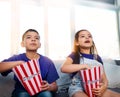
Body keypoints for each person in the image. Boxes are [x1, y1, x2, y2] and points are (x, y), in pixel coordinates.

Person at [0, 29, 59, 97]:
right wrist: (18, 63)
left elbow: (55, 86)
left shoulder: (47, 61)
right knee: (23, 95)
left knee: (46, 95)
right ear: (22, 44)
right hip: (21, 91)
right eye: (28, 37)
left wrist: (49, 87)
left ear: (39, 44)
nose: (33, 39)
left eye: (36, 38)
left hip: (42, 91)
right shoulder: (17, 58)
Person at [61, 29, 120, 97]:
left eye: (89, 36)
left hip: (95, 87)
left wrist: (103, 87)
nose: (87, 37)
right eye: (83, 36)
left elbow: (105, 79)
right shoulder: (74, 55)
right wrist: (84, 66)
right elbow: (64, 68)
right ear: (77, 42)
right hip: (78, 88)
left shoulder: (97, 58)